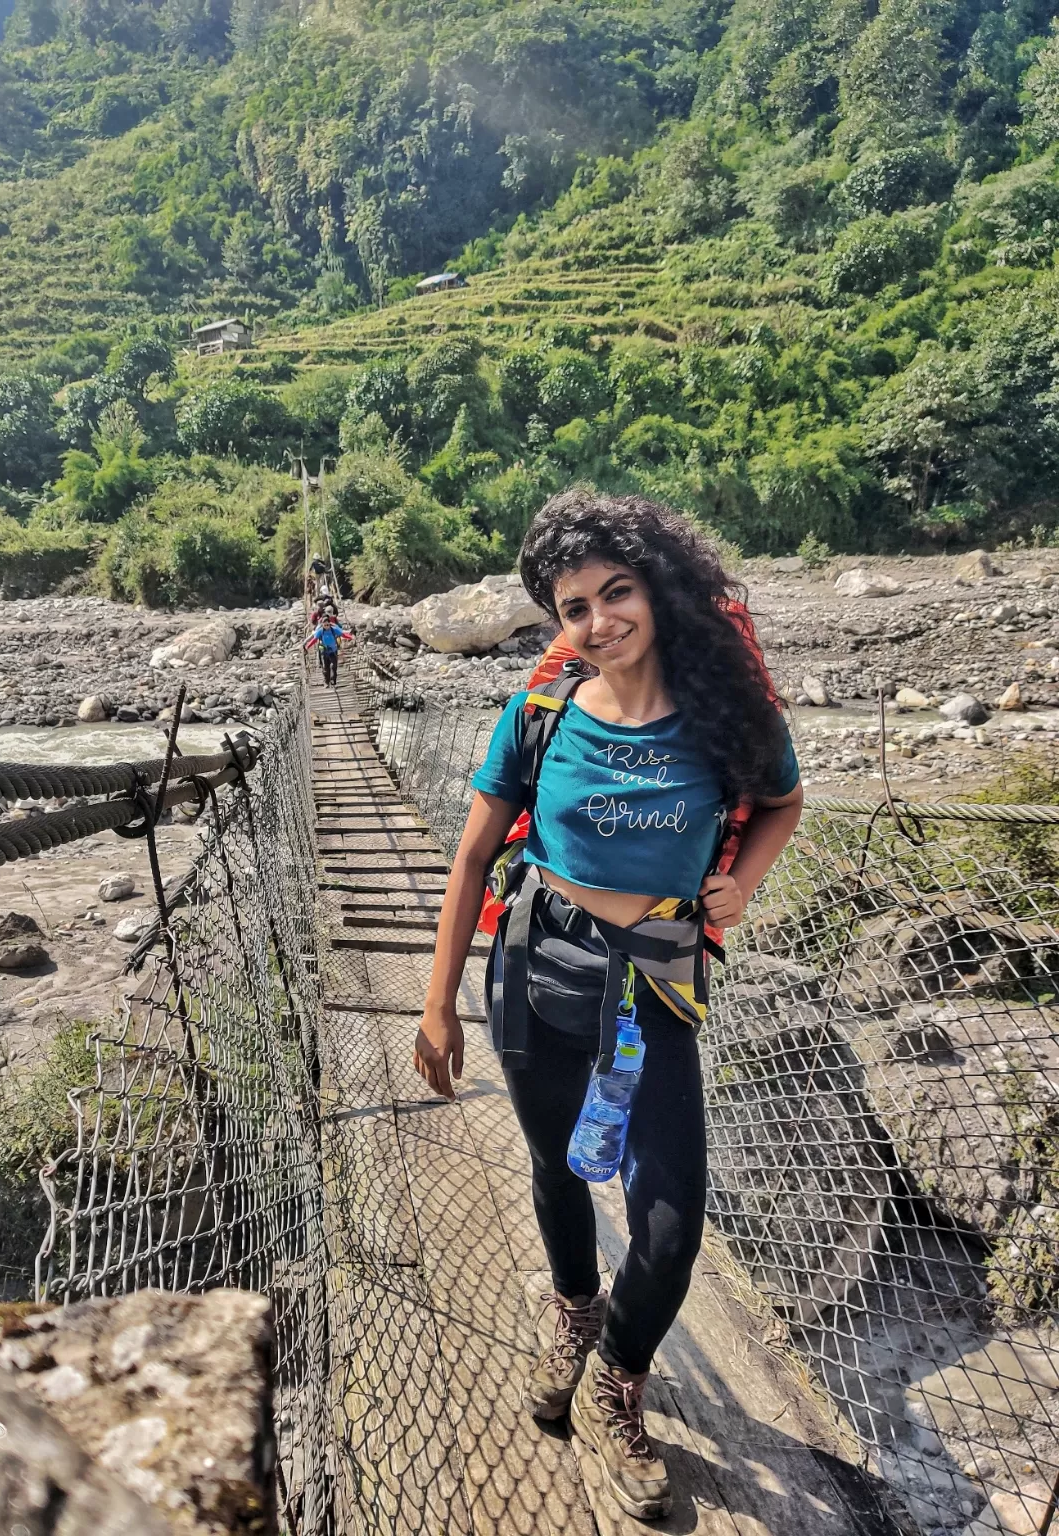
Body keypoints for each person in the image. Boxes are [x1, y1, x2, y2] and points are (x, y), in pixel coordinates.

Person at [412, 490, 803, 1522]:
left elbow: (782, 802)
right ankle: (575, 1310)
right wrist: (437, 1004)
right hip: (537, 956)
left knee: (671, 1217)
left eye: (614, 593)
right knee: (552, 1164)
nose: (597, 622)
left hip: (660, 968)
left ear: (659, 589)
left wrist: (744, 881)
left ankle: (616, 1380)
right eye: (572, 605)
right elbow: (471, 855)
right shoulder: (537, 714)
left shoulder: (730, 712)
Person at [305, 615, 351, 686]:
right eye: (325, 625)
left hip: (333, 651)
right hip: (324, 651)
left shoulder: (334, 629)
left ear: (330, 624)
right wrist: (308, 646)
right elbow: (314, 640)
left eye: (327, 624)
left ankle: (333, 680)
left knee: (334, 666)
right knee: (326, 667)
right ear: (322, 625)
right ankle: (327, 681)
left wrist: (351, 637)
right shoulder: (320, 631)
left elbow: (343, 634)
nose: (326, 626)